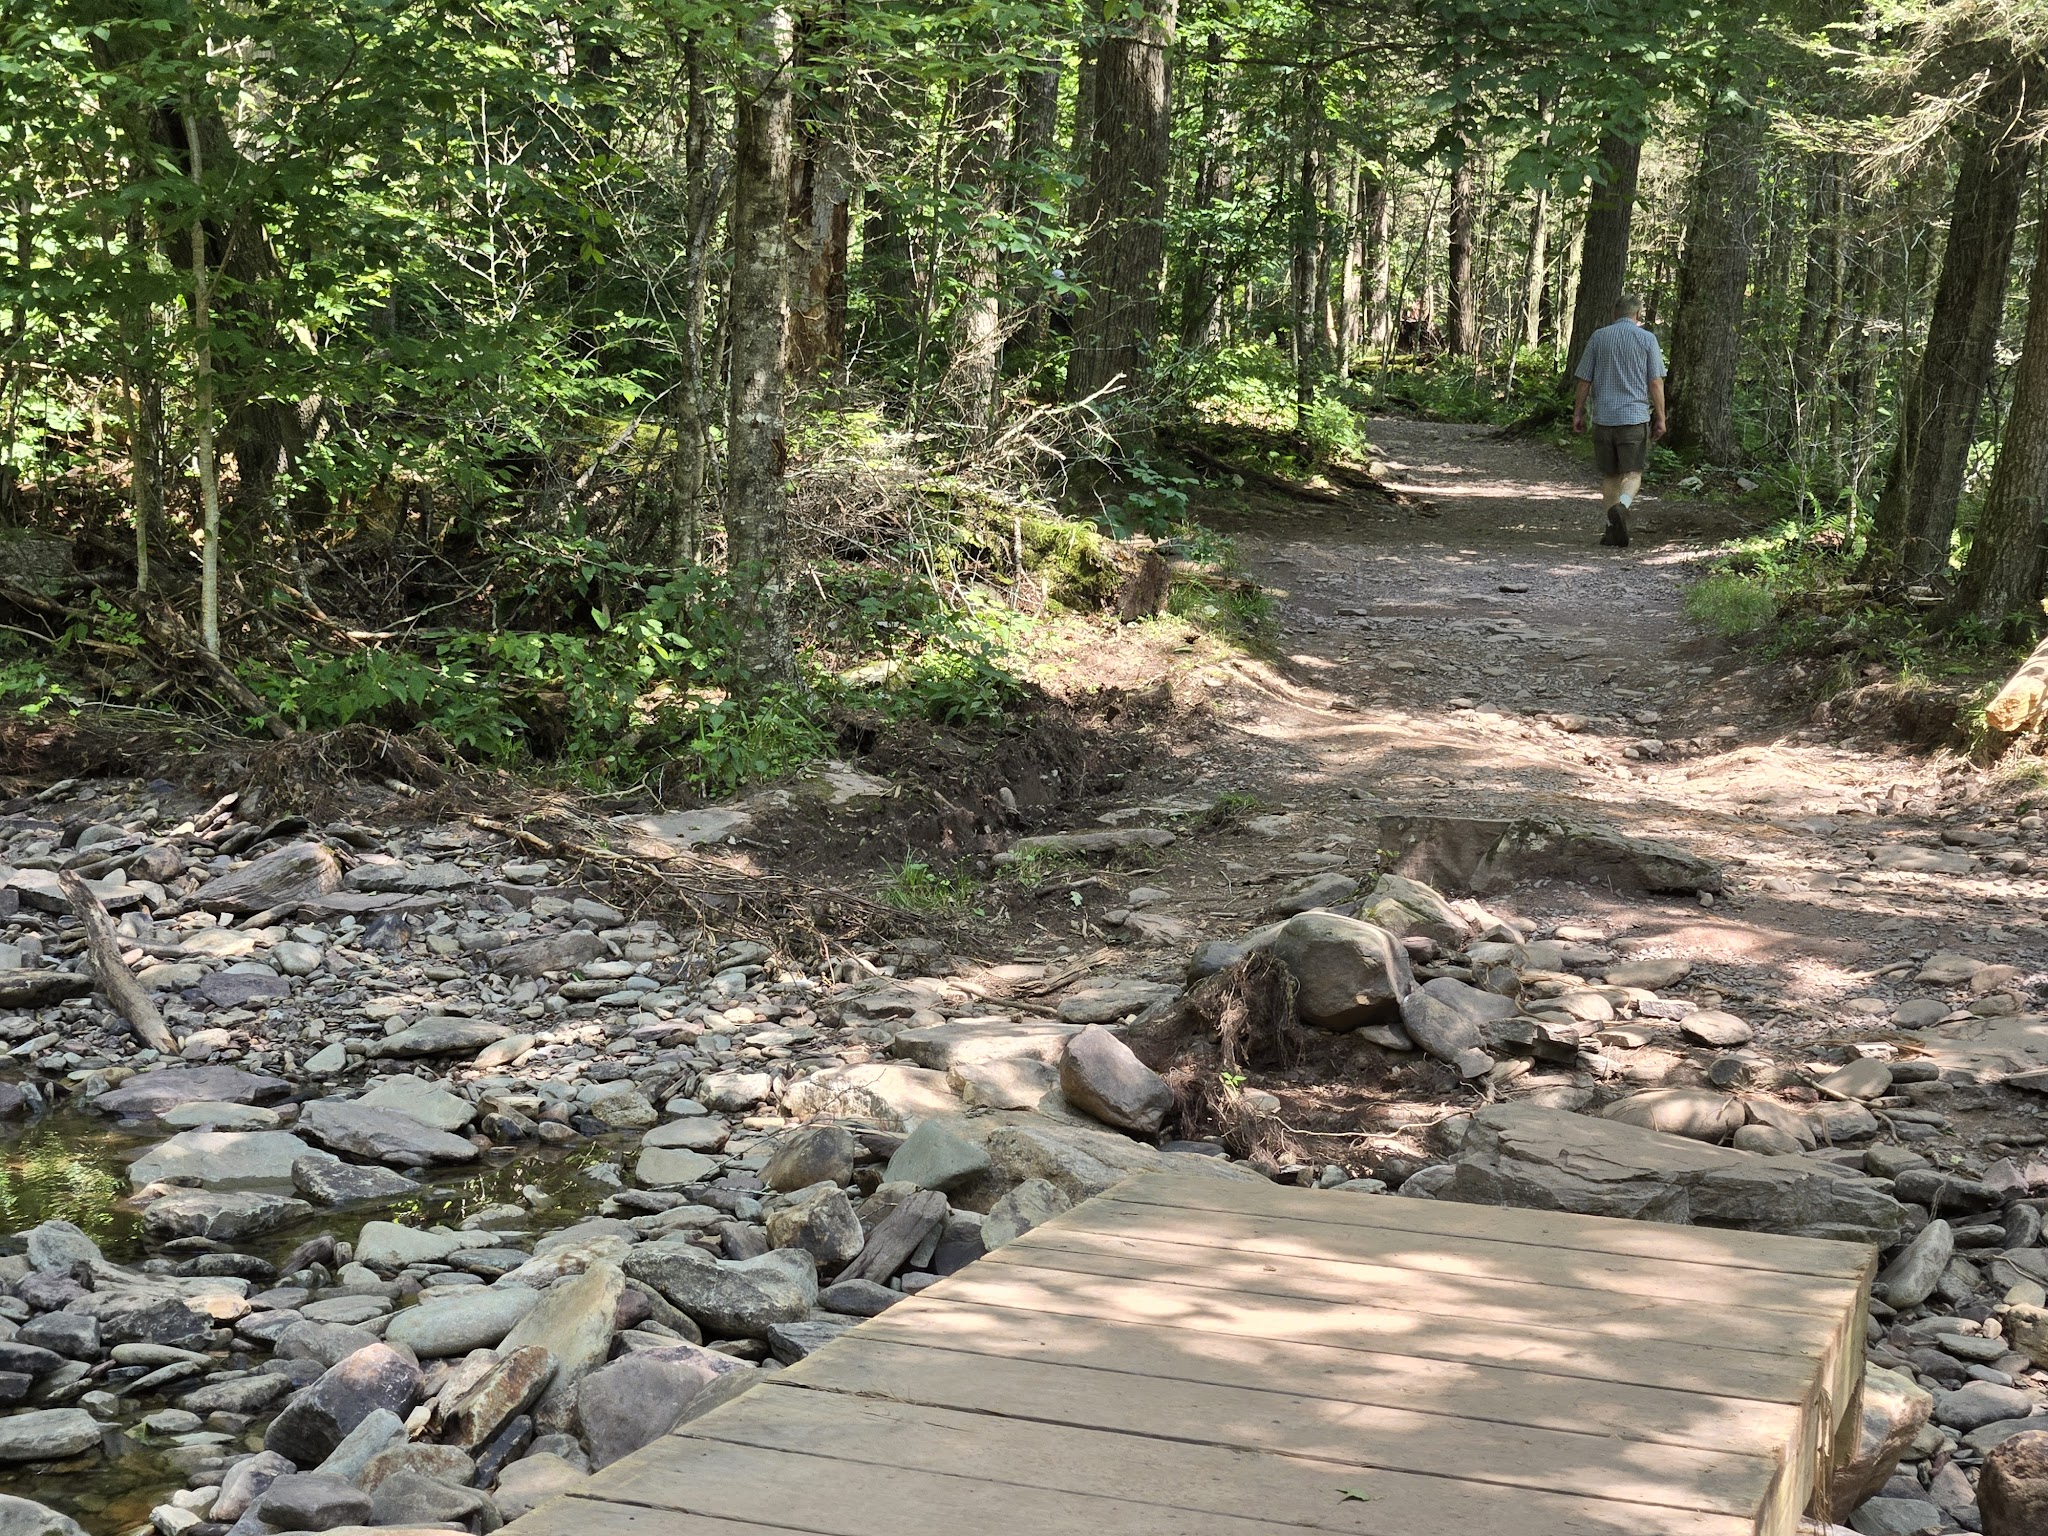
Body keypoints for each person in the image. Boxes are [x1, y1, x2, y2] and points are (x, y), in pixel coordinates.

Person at [1571, 294, 1666, 549]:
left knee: (1610, 474)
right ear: (1638, 315)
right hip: (1634, 418)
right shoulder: (1647, 339)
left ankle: (1612, 528)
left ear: (1615, 313)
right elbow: (1655, 381)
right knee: (1633, 472)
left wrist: (1578, 412)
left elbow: (1584, 380)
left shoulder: (1599, 337)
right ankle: (1623, 507)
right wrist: (1661, 416)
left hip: (1604, 418)